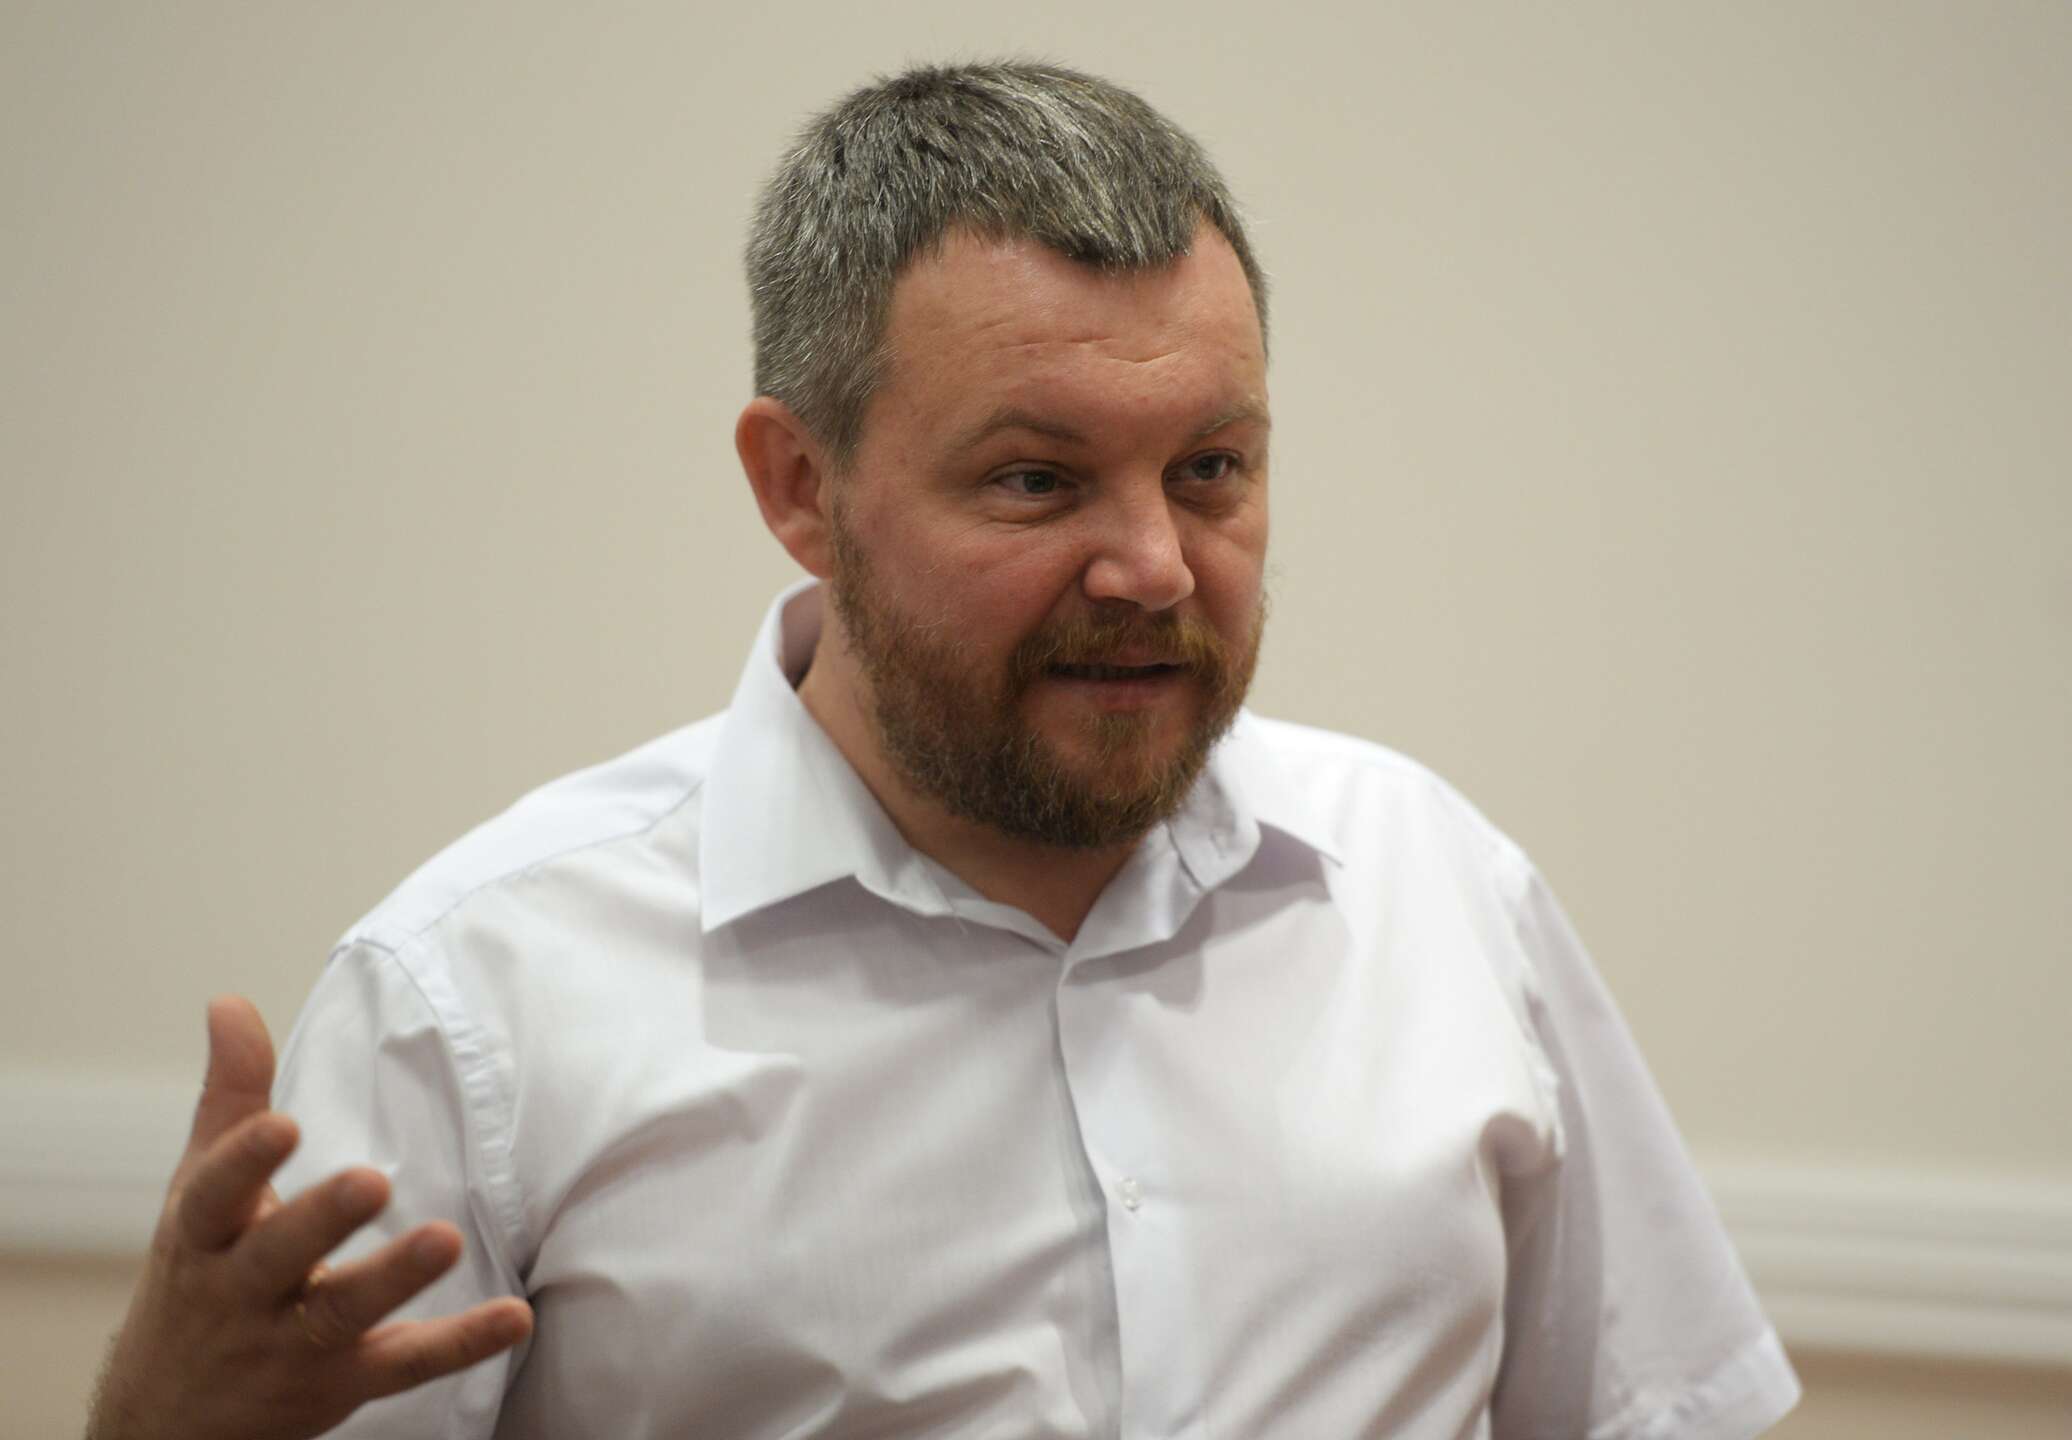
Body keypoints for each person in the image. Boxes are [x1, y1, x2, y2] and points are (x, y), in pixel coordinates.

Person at [90, 61, 1801, 1440]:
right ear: (799, 488)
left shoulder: (1436, 885)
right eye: (1037, 480)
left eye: (1210, 469)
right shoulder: (475, 999)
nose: (1153, 566)